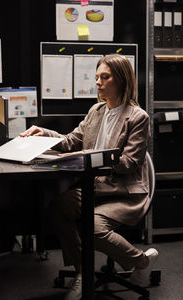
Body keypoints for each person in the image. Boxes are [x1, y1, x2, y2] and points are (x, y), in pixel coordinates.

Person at [20, 53, 158, 300]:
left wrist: (92, 156)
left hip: (123, 192)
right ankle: (83, 272)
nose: (98, 82)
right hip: (94, 186)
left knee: (93, 227)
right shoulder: (96, 111)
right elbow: (72, 141)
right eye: (97, 77)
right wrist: (44, 134)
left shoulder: (138, 118)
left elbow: (128, 163)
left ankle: (140, 262)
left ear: (123, 80)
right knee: (59, 208)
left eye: (105, 77)